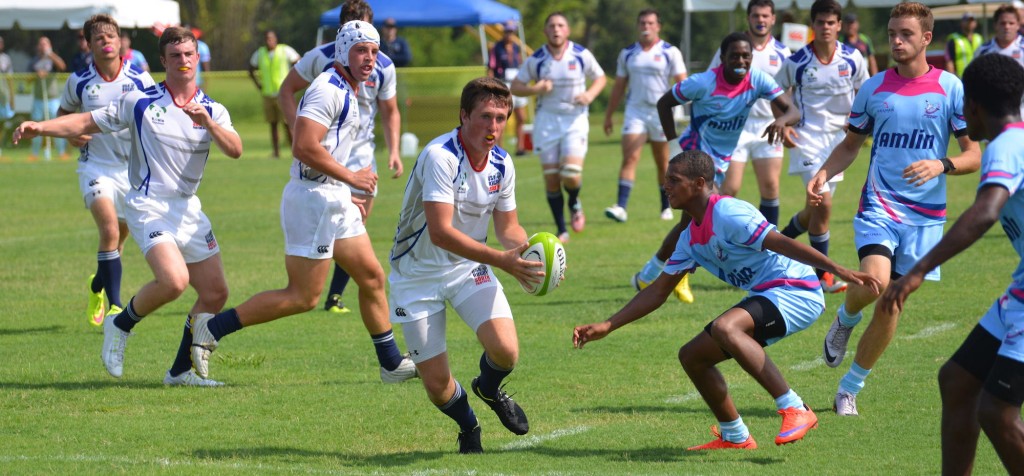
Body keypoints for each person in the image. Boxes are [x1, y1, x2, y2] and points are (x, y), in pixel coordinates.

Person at [573, 150, 880, 450]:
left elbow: (782, 242)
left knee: (726, 328)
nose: (665, 186)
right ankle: (734, 435)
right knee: (693, 356)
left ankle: (795, 408)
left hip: (796, 290)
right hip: (769, 294)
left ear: (698, 183)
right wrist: (608, 325)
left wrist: (836, 268)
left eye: (673, 180)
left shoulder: (728, 213)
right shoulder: (689, 238)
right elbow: (657, 291)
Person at [188, 21, 417, 385]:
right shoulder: (328, 89)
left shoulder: (348, 87)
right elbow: (303, 146)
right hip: (313, 200)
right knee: (302, 297)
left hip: (334, 197)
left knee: (372, 277)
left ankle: (390, 363)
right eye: (361, 50)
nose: (370, 58)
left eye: (374, 52)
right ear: (342, 51)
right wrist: (351, 177)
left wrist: (350, 180)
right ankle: (212, 328)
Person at [14, 26, 243, 386]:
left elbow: (235, 149)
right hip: (148, 205)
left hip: (188, 209)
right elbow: (86, 121)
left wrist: (209, 124)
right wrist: (40, 127)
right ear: (162, 61)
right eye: (175, 56)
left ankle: (180, 372)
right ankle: (120, 323)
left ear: (197, 58)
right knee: (175, 281)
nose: (183, 61)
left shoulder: (214, 110)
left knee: (216, 292)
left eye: (188, 55)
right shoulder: (140, 102)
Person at [808, 2, 981, 416]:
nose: (896, 41)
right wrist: (823, 174)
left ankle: (849, 389)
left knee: (893, 303)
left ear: (926, 38)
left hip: (926, 218)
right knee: (876, 282)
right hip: (879, 206)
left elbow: (973, 154)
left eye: (905, 34)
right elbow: (851, 144)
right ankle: (846, 319)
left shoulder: (951, 89)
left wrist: (942, 164)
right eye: (891, 34)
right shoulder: (873, 88)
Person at [878, 52, 1024, 476]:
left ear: (973, 105)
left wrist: (918, 270)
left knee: (997, 412)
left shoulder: (1004, 147)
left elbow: (985, 212)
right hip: (1019, 291)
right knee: (958, 381)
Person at [388, 76, 543, 454]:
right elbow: (440, 232)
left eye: (501, 118)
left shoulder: (503, 165)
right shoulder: (440, 156)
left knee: (506, 351)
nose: (494, 128)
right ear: (463, 116)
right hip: (416, 275)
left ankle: (488, 388)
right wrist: (502, 261)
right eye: (486, 117)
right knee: (438, 386)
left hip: (467, 268)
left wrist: (529, 253)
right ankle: (468, 424)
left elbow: (508, 228)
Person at [631, 31, 800, 304]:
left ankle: (647, 274)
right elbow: (664, 103)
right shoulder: (704, 82)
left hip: (718, 162)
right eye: (734, 55)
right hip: (693, 159)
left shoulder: (757, 79)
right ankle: (690, 274)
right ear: (722, 59)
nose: (741, 60)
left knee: (688, 225)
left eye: (746, 55)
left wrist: (783, 121)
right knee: (712, 214)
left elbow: (793, 111)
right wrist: (674, 147)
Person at [275, 0, 403, 315]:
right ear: (341, 32)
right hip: (324, 157)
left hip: (359, 154)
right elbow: (286, 91)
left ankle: (335, 296)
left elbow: (390, 111)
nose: (367, 53)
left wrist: (395, 150)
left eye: (369, 39)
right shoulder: (321, 62)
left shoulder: (382, 64)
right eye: (352, 29)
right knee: (304, 294)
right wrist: (300, 132)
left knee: (359, 238)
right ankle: (220, 326)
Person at [56, 14, 156, 327]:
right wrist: (71, 134)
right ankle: (115, 307)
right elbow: (63, 115)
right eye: (99, 38)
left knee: (117, 242)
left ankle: (97, 285)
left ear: (120, 41)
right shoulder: (80, 80)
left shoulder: (139, 78)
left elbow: (158, 114)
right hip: (95, 166)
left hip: (132, 172)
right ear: (89, 45)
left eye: (111, 36)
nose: (106, 41)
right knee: (109, 231)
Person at [775, 0, 868, 294]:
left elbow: (865, 95)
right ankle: (823, 275)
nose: (825, 27)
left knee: (813, 210)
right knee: (823, 203)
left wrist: (856, 123)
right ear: (812, 26)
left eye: (831, 23)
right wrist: (784, 122)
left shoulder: (853, 59)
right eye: (820, 22)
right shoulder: (797, 61)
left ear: (839, 25)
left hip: (840, 144)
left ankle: (779, 240)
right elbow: (776, 93)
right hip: (807, 140)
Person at [511, 12, 606, 244]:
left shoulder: (581, 54)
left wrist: (590, 94)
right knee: (552, 180)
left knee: (571, 175)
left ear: (567, 30)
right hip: (547, 121)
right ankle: (561, 228)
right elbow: (515, 86)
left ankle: (574, 202)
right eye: (552, 25)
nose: (556, 29)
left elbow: (600, 77)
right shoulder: (537, 59)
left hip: (574, 120)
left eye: (561, 25)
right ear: (545, 31)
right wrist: (536, 89)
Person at [709, 0, 790, 228]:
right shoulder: (732, 47)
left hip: (768, 126)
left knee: (771, 187)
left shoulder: (782, 52)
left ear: (773, 19)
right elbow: (712, 78)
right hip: (735, 127)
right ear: (748, 19)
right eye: (756, 16)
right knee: (730, 188)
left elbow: (789, 90)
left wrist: (787, 123)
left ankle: (767, 241)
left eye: (765, 16)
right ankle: (724, 238)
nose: (760, 20)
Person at [602, 8, 687, 224]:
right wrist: (609, 115)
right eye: (642, 23)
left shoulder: (670, 52)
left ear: (658, 26)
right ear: (638, 26)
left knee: (663, 163)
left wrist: (683, 109)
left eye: (650, 23)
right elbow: (619, 86)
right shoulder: (628, 54)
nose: (646, 27)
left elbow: (683, 83)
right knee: (630, 157)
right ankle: (621, 207)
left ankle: (665, 206)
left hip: (661, 112)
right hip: (635, 112)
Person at [248, 30, 300, 159]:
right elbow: (251, 69)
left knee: (288, 123)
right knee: (273, 124)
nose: (268, 41)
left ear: (276, 39)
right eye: (266, 39)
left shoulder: (284, 50)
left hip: (283, 93)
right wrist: (258, 85)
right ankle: (276, 152)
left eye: (271, 38)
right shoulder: (260, 53)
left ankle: (296, 151)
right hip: (267, 93)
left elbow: (298, 62)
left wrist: (294, 82)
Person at [973, 5, 1024, 118]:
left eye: (1011, 23)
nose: (1007, 27)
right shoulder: (983, 51)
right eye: (1002, 23)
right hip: (992, 115)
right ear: (995, 25)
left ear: (1018, 25)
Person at [487, 20, 528, 156]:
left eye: (511, 32)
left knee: (521, 117)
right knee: (501, 117)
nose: (509, 34)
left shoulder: (516, 48)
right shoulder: (496, 48)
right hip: (504, 83)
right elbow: (491, 68)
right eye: (506, 31)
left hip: (516, 83)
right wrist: (492, 86)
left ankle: (520, 148)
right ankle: (498, 148)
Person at [29, 36, 67, 161]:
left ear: (49, 45)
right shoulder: (34, 60)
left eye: (45, 43)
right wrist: (36, 75)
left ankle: (61, 153)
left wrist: (50, 54)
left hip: (53, 99)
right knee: (34, 126)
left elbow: (62, 66)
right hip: (38, 99)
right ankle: (34, 154)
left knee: (57, 126)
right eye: (41, 44)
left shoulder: (53, 59)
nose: (43, 46)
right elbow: (27, 79)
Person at [841, 12, 879, 77]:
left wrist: (875, 78)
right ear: (843, 25)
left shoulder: (865, 40)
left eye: (852, 23)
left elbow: (871, 60)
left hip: (863, 76)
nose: (850, 26)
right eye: (847, 23)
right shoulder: (839, 41)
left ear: (857, 24)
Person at [945, 12, 983, 78]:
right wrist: (952, 79)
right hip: (961, 78)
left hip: (978, 77)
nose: (970, 23)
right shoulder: (954, 39)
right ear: (961, 23)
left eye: (972, 20)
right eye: (967, 20)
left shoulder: (979, 38)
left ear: (975, 23)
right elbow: (949, 61)